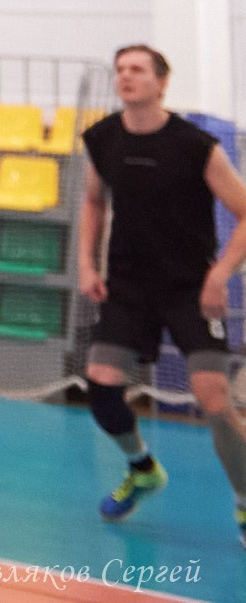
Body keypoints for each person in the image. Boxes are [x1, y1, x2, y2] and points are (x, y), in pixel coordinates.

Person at [77, 42, 246, 541]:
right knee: (102, 387)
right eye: (120, 70)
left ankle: (243, 501)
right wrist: (87, 263)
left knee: (213, 400)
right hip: (128, 287)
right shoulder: (102, 139)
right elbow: (92, 203)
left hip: (191, 289)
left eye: (137, 70)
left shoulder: (196, 146)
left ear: (161, 82)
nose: (126, 77)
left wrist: (221, 275)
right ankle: (143, 468)